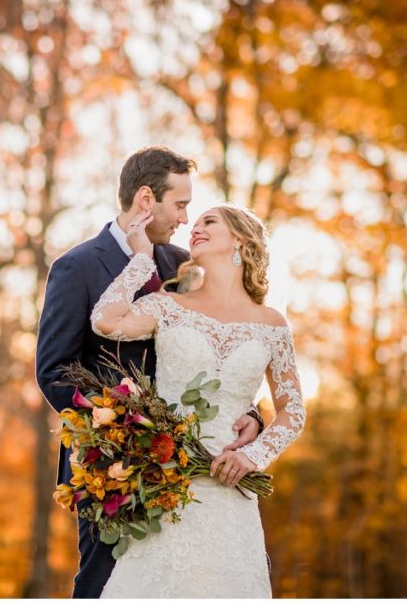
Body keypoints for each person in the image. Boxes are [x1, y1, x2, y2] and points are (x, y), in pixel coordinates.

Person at [35, 146, 265, 598]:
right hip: (115, 467)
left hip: (197, 464)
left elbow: (222, 344)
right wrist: (126, 432)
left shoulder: (185, 264)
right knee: (106, 584)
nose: (185, 218)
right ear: (146, 199)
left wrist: (251, 413)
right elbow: (55, 371)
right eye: (180, 204)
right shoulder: (76, 268)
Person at [91, 203, 307, 598]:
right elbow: (105, 319)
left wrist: (252, 456)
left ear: (239, 240)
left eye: (209, 221)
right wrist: (142, 260)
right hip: (170, 484)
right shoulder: (169, 306)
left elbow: (292, 412)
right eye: (196, 222)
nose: (194, 227)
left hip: (232, 491)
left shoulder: (272, 323)